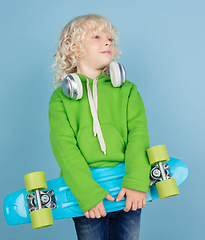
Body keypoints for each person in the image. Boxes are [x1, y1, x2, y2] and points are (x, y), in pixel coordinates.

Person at [49, 14, 151, 240]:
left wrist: (136, 181)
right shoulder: (60, 99)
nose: (108, 42)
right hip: (88, 194)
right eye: (97, 36)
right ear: (73, 48)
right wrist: (87, 192)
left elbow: (139, 136)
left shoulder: (127, 90)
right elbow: (64, 148)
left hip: (127, 189)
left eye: (110, 39)